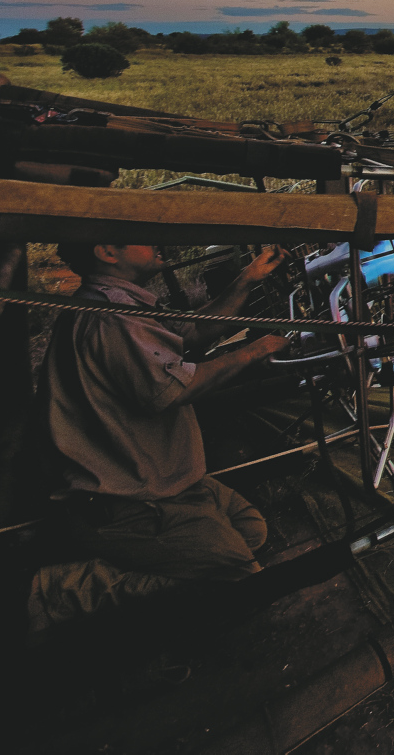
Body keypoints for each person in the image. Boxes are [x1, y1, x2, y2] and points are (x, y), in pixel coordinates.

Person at [42, 242, 291, 582]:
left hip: (164, 482)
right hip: (123, 500)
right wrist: (254, 351)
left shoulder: (125, 304)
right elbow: (174, 390)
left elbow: (194, 331)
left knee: (250, 531)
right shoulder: (111, 318)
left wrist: (248, 278)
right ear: (107, 252)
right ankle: (68, 590)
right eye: (141, 236)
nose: (156, 241)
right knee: (237, 575)